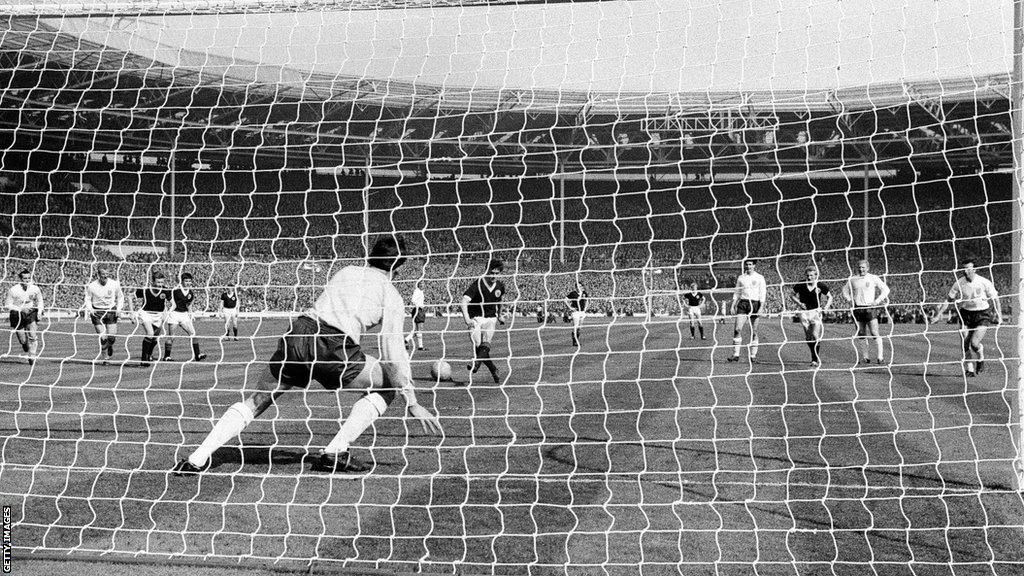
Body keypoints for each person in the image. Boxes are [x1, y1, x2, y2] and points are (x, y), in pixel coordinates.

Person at [172, 235, 441, 476]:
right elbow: (393, 351)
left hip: (300, 332)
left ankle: (196, 459)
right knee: (388, 386)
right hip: (333, 346)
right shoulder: (390, 293)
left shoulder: (346, 271)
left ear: (372, 254)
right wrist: (412, 400)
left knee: (257, 400)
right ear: (398, 266)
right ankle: (335, 451)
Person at [931, 258, 1001, 377]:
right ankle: (969, 369)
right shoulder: (959, 283)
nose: (966, 271)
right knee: (965, 343)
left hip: (982, 314)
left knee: (974, 343)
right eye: (964, 268)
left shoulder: (984, 282)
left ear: (974, 269)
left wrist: (999, 315)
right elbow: (948, 300)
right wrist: (938, 315)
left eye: (968, 268)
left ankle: (980, 359)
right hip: (965, 314)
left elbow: (996, 299)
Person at [460, 258, 505, 384]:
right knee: (479, 346)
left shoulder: (500, 286)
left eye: (497, 273)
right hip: (476, 318)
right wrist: (467, 319)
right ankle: (493, 369)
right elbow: (464, 301)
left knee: (485, 345)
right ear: (486, 271)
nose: (494, 276)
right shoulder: (478, 284)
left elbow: (500, 300)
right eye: (492, 272)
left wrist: (500, 315)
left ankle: (476, 363)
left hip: (491, 319)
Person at [842, 259, 890, 364]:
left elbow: (886, 289)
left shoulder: (873, 278)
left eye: (863, 267)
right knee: (861, 333)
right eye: (859, 267)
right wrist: (850, 300)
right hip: (857, 308)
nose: (861, 269)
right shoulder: (853, 279)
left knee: (874, 332)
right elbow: (845, 290)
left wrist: (877, 301)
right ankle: (865, 357)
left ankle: (880, 357)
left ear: (867, 268)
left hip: (870, 308)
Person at [790, 265, 833, 367]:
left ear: (816, 275)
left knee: (815, 335)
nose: (809, 277)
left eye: (812, 275)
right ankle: (813, 356)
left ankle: (815, 358)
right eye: (808, 275)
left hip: (815, 312)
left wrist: (826, 307)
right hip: (803, 313)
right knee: (808, 336)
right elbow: (791, 295)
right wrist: (799, 303)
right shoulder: (800, 284)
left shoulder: (820, 285)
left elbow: (830, 297)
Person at [84, 266, 128, 364]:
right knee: (103, 337)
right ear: (98, 275)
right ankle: (105, 358)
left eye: (107, 274)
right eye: (103, 274)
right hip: (97, 312)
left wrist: (119, 309)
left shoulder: (114, 284)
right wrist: (90, 309)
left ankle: (110, 345)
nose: (105, 276)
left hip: (111, 311)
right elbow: (87, 298)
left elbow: (120, 297)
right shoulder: (92, 286)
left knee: (111, 337)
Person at [728, 260, 766, 362]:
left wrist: (761, 307)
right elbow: (737, 292)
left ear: (754, 265)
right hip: (743, 304)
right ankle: (736, 354)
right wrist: (732, 306)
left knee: (754, 331)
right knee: (737, 329)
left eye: (750, 264)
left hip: (755, 304)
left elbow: (763, 293)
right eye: (746, 264)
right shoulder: (741, 277)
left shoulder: (760, 277)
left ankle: (753, 356)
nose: (748, 266)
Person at [163, 272, 206, 362]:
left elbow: (189, 305)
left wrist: (191, 314)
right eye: (186, 281)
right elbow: (168, 299)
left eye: (190, 281)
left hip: (184, 315)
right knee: (172, 336)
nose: (188, 283)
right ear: (182, 281)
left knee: (193, 334)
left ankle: (197, 355)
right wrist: (166, 311)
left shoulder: (190, 293)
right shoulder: (176, 290)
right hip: (174, 314)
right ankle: (166, 356)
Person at [131, 271, 171, 367]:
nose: (160, 285)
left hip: (158, 315)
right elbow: (130, 296)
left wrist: (167, 312)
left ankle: (149, 354)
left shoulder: (165, 290)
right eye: (158, 282)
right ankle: (144, 360)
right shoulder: (145, 290)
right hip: (146, 313)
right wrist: (132, 312)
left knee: (155, 337)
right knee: (150, 333)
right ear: (153, 281)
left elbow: (173, 302)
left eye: (162, 282)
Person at [6, 269, 44, 365]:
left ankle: (32, 356)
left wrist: (39, 312)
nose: (26, 280)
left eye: (28, 278)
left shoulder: (35, 288)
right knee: (23, 339)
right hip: (17, 314)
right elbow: (8, 305)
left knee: (32, 334)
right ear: (20, 279)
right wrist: (21, 309)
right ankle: (25, 345)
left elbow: (40, 301)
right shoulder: (13, 290)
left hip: (30, 313)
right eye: (24, 278)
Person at [405, 280, 426, 351]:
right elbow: (413, 300)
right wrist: (419, 306)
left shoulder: (420, 292)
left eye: (423, 284)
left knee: (418, 329)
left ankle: (406, 340)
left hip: (420, 311)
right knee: (420, 328)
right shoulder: (417, 291)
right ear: (419, 285)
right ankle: (420, 346)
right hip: (418, 310)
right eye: (422, 284)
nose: (423, 285)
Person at [565, 280, 588, 347]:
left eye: (580, 286)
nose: (579, 287)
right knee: (576, 326)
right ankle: (575, 341)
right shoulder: (573, 293)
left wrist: (586, 308)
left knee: (579, 328)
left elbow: (587, 300)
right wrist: (571, 308)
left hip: (582, 312)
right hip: (576, 312)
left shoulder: (584, 293)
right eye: (577, 286)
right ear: (575, 287)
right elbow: (565, 299)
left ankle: (576, 340)